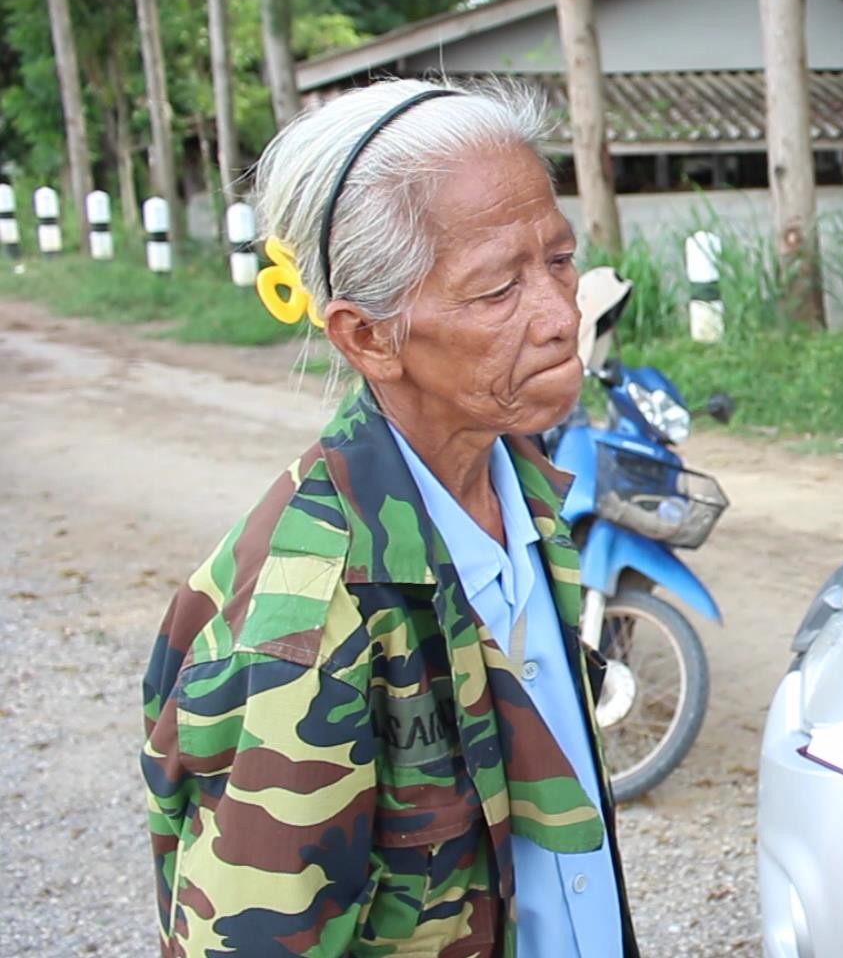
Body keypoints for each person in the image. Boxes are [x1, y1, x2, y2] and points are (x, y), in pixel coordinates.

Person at [141, 80, 642, 957]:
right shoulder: (308, 617)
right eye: (496, 291)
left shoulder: (520, 491)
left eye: (559, 261)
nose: (562, 315)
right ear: (368, 336)